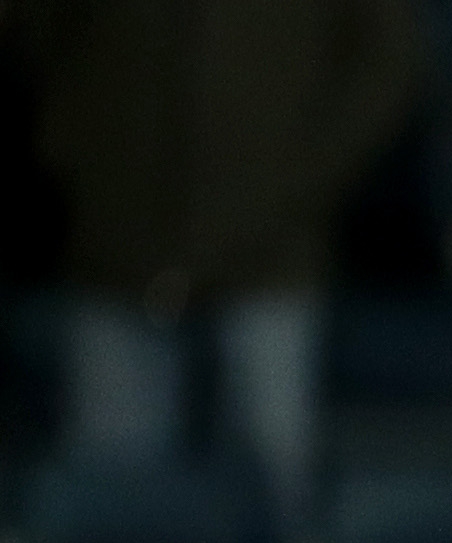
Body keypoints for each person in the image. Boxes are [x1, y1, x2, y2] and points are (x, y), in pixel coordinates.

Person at [19, 0, 425, 515]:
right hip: (117, 244)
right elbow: (33, 36)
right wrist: (76, 155)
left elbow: (387, 61)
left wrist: (301, 181)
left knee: (277, 495)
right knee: (112, 508)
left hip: (270, 252)